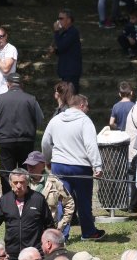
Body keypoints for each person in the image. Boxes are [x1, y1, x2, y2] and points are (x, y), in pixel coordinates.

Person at [41, 95, 106, 241]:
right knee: (84, 201)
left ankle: (61, 234)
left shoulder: (55, 120)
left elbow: (45, 142)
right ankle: (88, 232)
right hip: (80, 166)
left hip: (59, 165)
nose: (88, 110)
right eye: (87, 106)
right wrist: (97, 165)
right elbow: (90, 145)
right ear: (82, 105)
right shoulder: (85, 121)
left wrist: (47, 159)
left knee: (61, 201)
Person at [0, 74, 44, 193]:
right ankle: (26, 197)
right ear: (21, 85)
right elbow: (40, 119)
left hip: (6, 140)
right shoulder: (31, 99)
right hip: (26, 140)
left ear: (7, 84)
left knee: (7, 173)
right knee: (26, 172)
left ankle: (8, 199)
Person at [0, 168, 56, 260]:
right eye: (15, 182)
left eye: (22, 182)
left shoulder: (38, 199)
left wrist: (51, 244)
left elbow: (49, 224)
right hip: (12, 253)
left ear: (27, 182)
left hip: (33, 252)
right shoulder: (5, 200)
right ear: (10, 183)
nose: (18, 186)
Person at [25, 152, 76, 240]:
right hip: (28, 229)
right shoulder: (23, 182)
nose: (30, 168)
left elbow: (69, 203)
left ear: (42, 165)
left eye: (33, 165)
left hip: (48, 230)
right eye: (28, 165)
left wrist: (61, 225)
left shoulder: (53, 182)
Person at [51, 9, 82, 93]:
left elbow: (61, 46)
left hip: (71, 71)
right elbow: (63, 49)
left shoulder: (73, 32)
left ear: (68, 20)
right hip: (65, 70)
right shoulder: (65, 33)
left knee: (71, 96)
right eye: (58, 18)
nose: (58, 21)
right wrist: (55, 51)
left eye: (61, 18)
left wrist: (56, 31)